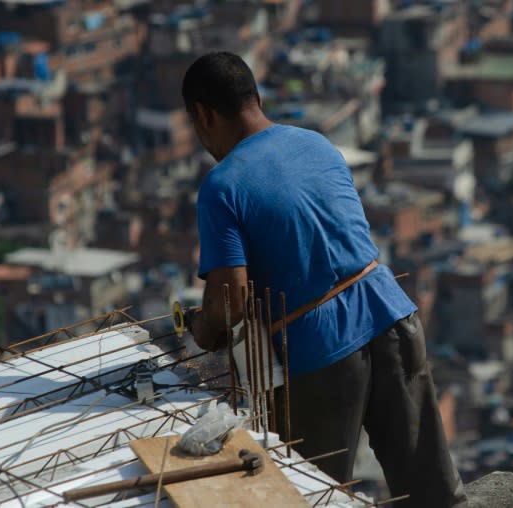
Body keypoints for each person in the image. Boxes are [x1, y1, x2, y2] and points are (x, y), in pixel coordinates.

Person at [182, 51, 467, 507]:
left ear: (204, 114)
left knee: (311, 495)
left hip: (323, 354)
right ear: (254, 97)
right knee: (431, 490)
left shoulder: (223, 186)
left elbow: (231, 303)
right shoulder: (315, 143)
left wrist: (204, 328)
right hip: (392, 315)